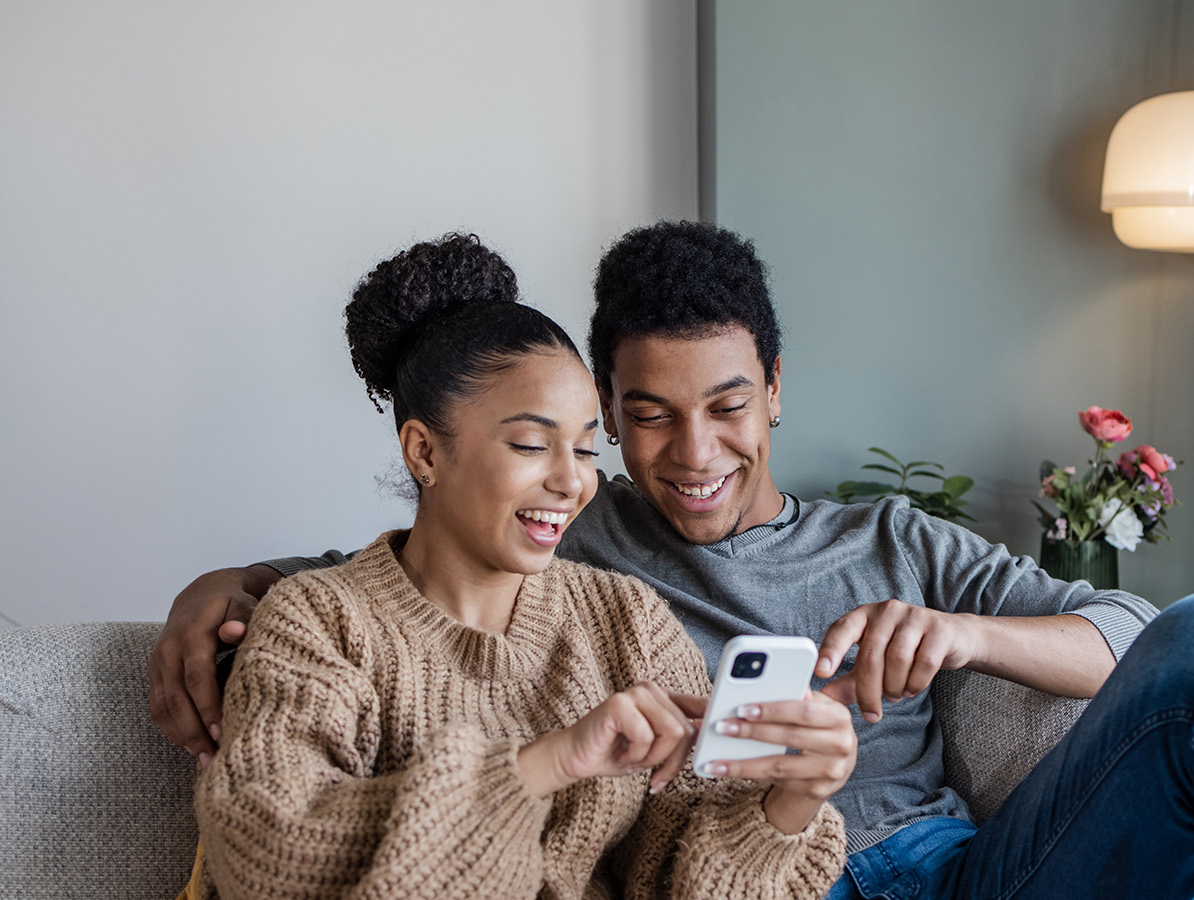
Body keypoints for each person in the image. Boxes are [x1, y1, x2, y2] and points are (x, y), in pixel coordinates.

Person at [154, 222, 1194, 899]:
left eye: (725, 405)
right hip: (766, 883)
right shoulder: (575, 549)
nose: (689, 451)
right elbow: (408, 571)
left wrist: (965, 634)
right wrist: (226, 589)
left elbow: (1129, 634)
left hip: (969, 874)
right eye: (643, 415)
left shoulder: (892, 540)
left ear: (773, 394)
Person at [183, 233, 849, 900]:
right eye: (532, 444)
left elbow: (680, 877)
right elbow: (265, 852)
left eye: (586, 450)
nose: (571, 482)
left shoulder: (628, 620)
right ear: (424, 452)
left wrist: (788, 803)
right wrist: (544, 765)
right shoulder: (320, 623)